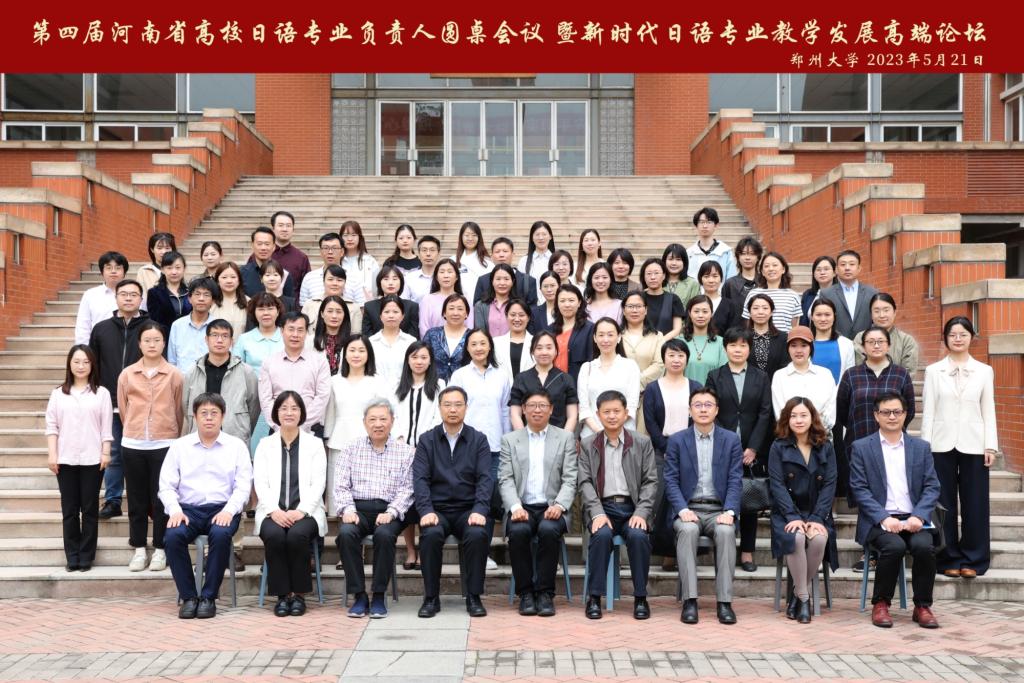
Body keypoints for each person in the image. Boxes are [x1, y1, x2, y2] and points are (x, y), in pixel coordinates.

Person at [849, 392, 942, 629]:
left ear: (905, 414)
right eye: (886, 412)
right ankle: (881, 604)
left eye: (897, 412)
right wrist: (884, 517)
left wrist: (919, 515)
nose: (892, 417)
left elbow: (932, 486)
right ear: (876, 415)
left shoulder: (920, 447)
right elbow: (859, 489)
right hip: (879, 520)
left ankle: (922, 606)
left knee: (924, 547)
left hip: (914, 519)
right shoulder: (861, 447)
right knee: (894, 546)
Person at [160, 393, 253, 619]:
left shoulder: (236, 446)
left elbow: (243, 486)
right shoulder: (180, 446)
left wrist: (229, 511)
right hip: (188, 510)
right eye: (204, 413)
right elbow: (166, 485)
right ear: (194, 416)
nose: (209, 418)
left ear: (223, 416)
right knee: (172, 537)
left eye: (214, 413)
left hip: (223, 508)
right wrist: (175, 510)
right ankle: (189, 597)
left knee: (221, 535)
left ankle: (209, 597)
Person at [922, 316, 998, 579]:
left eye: (963, 334)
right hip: (940, 444)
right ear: (945, 338)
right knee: (943, 503)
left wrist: (990, 446)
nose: (957, 339)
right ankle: (947, 557)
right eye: (952, 334)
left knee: (975, 502)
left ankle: (974, 559)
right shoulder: (934, 371)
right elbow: (928, 412)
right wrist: (925, 448)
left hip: (974, 444)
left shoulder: (984, 371)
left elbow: (988, 410)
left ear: (971, 338)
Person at [665, 387, 743, 625]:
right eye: (697, 405)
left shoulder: (731, 440)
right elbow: (670, 480)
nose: (703, 409)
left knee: (726, 532)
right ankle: (690, 601)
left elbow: (735, 479)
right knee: (687, 530)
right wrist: (682, 510)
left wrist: (730, 511)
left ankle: (724, 603)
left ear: (716, 410)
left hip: (719, 509)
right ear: (690, 411)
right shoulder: (677, 440)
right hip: (688, 508)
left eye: (708, 405)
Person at [414, 386, 493, 618]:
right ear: (439, 408)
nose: (453, 409)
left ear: (466, 408)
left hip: (467, 510)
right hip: (437, 510)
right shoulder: (427, 440)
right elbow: (420, 480)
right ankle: (431, 598)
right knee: (430, 534)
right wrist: (426, 510)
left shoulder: (478, 440)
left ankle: (474, 596)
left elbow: (485, 479)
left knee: (477, 534)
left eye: (458, 405)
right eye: (447, 405)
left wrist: (480, 509)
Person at [579, 390, 658, 620]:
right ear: (598, 414)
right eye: (606, 412)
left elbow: (651, 481)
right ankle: (595, 597)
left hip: (633, 508)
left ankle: (641, 598)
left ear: (626, 413)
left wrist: (641, 512)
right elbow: (584, 482)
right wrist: (596, 513)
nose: (612, 416)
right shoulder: (588, 444)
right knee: (601, 536)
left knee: (639, 537)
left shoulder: (642, 442)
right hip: (603, 508)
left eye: (616, 411)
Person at [498, 388, 578, 617]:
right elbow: (505, 478)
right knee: (519, 531)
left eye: (542, 406)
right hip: (522, 506)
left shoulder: (564, 438)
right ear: (523, 410)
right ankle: (525, 593)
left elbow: (570, 478)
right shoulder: (510, 440)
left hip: (552, 506)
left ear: (551, 409)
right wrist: (515, 507)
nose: (537, 410)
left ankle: (545, 593)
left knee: (548, 530)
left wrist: (559, 505)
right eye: (532, 405)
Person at [335, 399, 415, 619]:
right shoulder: (351, 448)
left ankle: (379, 595)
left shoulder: (405, 452)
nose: (378, 424)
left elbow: (408, 489)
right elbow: (340, 485)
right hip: (358, 509)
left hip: (390, 510)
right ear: (364, 422)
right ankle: (359, 596)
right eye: (372, 419)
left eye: (383, 419)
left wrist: (391, 512)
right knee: (346, 534)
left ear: (392, 421)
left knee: (385, 535)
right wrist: (348, 510)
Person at [705, 327, 774, 573]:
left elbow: (765, 412)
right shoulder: (715, 376)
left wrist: (753, 447)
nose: (737, 349)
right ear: (725, 348)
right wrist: (726, 443)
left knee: (749, 500)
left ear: (749, 349)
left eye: (743, 345)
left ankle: (747, 551)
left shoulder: (761, 376)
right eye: (733, 345)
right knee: (720, 496)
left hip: (751, 450)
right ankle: (723, 549)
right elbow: (710, 408)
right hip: (721, 446)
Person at [253, 391, 327, 617]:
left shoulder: (314, 444)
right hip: (271, 512)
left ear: (302, 413)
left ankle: (299, 595)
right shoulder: (265, 445)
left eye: (294, 408)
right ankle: (282, 596)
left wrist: (301, 511)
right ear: (276, 413)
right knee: (274, 535)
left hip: (306, 513)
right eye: (283, 408)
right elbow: (260, 482)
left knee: (296, 536)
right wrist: (273, 511)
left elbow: (319, 483)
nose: (289, 413)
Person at [118, 321, 184, 573]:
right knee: (136, 499)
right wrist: (134, 429)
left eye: (157, 340)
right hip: (133, 443)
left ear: (164, 343)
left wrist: (171, 433)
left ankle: (160, 548)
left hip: (164, 443)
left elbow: (179, 409)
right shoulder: (127, 374)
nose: (152, 344)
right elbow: (123, 408)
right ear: (139, 344)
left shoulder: (175, 374)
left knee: (161, 498)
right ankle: (138, 548)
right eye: (147, 340)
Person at [768, 397, 838, 624]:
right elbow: (777, 484)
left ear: (812, 418)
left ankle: (796, 596)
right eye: (793, 416)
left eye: (803, 415)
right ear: (786, 420)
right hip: (786, 513)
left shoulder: (825, 446)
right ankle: (804, 599)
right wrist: (792, 516)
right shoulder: (778, 446)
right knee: (796, 537)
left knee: (819, 540)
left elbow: (830, 484)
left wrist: (817, 517)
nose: (798, 420)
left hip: (817, 511)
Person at [46, 345, 112, 572]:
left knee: (90, 509)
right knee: (70, 510)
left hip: (93, 459)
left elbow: (106, 428)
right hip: (65, 459)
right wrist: (52, 454)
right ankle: (72, 555)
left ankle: (86, 556)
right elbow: (52, 427)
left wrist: (105, 452)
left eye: (85, 361)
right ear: (69, 364)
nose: (81, 366)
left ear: (92, 365)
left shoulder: (101, 393)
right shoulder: (58, 394)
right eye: (76, 361)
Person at [89, 279, 148, 520]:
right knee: (113, 454)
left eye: (133, 294)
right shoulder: (101, 328)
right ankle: (113, 500)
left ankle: (143, 501)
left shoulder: (151, 328)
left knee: (140, 455)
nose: (128, 298)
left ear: (141, 299)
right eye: (123, 294)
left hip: (142, 403)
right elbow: (92, 364)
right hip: (110, 401)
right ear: (116, 298)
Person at [837, 326, 916, 500]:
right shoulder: (851, 375)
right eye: (871, 342)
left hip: (893, 443)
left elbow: (909, 409)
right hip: (859, 440)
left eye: (881, 341)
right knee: (863, 495)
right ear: (863, 347)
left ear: (888, 345)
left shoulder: (901, 374)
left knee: (893, 492)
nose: (876, 345)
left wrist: (892, 425)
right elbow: (842, 410)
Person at [324, 334, 395, 520]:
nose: (356, 355)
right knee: (338, 486)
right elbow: (330, 413)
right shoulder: (334, 381)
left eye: (361, 350)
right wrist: (327, 437)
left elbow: (386, 412)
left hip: (371, 441)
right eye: (352, 350)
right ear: (345, 354)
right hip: (339, 440)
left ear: (369, 354)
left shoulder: (378, 381)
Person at [393, 342, 446, 570]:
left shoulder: (439, 385)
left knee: (426, 499)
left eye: (424, 357)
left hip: (429, 450)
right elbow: (392, 416)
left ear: (430, 360)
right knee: (406, 500)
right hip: (401, 451)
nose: (419, 361)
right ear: (408, 359)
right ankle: (410, 550)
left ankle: (425, 549)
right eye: (414, 357)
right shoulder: (397, 385)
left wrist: (423, 444)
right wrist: (401, 441)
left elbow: (439, 417)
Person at [180, 319, 260, 443]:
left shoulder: (246, 372)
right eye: (214, 335)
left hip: (234, 439)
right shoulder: (193, 372)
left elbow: (254, 408)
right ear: (206, 339)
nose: (219, 340)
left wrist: (242, 428)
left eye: (225, 336)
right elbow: (186, 407)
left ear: (232, 341)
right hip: (200, 438)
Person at [258, 312, 331, 438]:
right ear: (282, 331)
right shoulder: (269, 362)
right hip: (278, 429)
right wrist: (279, 426)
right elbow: (265, 399)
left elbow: (322, 396)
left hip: (311, 429)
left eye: (300, 330)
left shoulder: (319, 361)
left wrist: (301, 425)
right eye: (291, 329)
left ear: (306, 333)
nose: (295, 335)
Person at [233, 293, 285, 450]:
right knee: (254, 445)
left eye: (270, 308)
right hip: (252, 400)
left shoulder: (287, 336)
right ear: (253, 312)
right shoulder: (244, 339)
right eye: (261, 309)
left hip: (282, 399)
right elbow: (236, 371)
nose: (266, 313)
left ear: (278, 311)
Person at [577, 318, 641, 440]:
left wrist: (612, 431)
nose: (605, 340)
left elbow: (631, 405)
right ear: (595, 338)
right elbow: (584, 408)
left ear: (619, 337)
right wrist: (600, 432)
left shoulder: (630, 366)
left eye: (610, 335)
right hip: (592, 436)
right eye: (601, 335)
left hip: (623, 435)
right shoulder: (587, 368)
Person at [509, 331, 579, 432]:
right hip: (528, 436)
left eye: (549, 348)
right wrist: (523, 438)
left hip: (558, 436)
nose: (544, 352)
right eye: (539, 348)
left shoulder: (566, 379)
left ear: (556, 351)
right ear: (532, 351)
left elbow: (572, 416)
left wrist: (564, 439)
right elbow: (515, 414)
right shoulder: (521, 378)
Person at [771, 326, 837, 431]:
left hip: (821, 436)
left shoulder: (825, 374)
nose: (798, 350)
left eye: (804, 345)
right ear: (788, 349)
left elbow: (830, 412)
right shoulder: (779, 376)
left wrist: (813, 432)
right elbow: (780, 414)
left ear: (811, 348)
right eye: (793, 346)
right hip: (789, 437)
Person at [852, 293, 921, 374]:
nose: (882, 315)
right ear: (871, 314)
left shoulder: (906, 341)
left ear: (894, 312)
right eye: (877, 311)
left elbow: (908, 374)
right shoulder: (860, 338)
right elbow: (860, 369)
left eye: (886, 310)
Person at [819, 249, 879, 339]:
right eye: (843, 264)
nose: (847, 268)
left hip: (865, 343)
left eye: (852, 264)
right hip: (836, 342)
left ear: (859, 269)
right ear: (836, 269)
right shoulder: (826, 294)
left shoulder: (872, 293)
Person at [76, 251, 129, 344]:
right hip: (98, 344)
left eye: (118, 268)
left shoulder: (134, 294)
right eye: (108, 268)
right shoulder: (90, 295)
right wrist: (83, 348)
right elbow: (83, 326)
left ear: (124, 272)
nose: (113, 271)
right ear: (102, 272)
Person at [741, 251, 802, 333]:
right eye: (766, 266)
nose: (771, 269)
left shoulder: (793, 295)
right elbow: (747, 322)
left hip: (784, 340)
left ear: (783, 269)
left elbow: (794, 327)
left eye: (775, 265)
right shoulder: (753, 294)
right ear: (762, 272)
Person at [168, 277, 219, 373]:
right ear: (189, 299)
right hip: (183, 379)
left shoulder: (219, 326)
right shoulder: (177, 325)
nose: (201, 299)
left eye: (206, 295)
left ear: (213, 301)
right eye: (197, 294)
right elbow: (172, 360)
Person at [621, 291, 666, 394]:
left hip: (649, 393)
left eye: (638, 306)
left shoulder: (657, 336)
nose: (634, 310)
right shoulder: (616, 335)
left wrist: (636, 382)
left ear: (646, 310)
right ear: (623, 310)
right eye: (630, 306)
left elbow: (659, 364)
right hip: (620, 392)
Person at [472, 237, 538, 307]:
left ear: (513, 255)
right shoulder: (483, 280)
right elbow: (477, 308)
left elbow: (533, 310)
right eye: (497, 252)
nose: (501, 255)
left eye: (505, 251)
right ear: (492, 256)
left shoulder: (528, 281)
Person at [422, 294, 472, 382]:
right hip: (434, 385)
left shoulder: (472, 336)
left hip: (464, 384)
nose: (455, 313)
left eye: (460, 309)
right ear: (444, 313)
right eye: (451, 308)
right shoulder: (432, 334)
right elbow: (423, 358)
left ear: (466, 314)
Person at [551, 284, 594, 381]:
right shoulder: (550, 329)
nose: (567, 305)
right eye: (562, 301)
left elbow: (591, 361)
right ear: (557, 303)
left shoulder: (589, 328)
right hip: (553, 383)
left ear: (579, 303)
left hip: (577, 383)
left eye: (571, 300)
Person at [369, 295, 417, 383]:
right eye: (386, 312)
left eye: (395, 312)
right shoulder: (371, 342)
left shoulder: (411, 341)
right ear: (380, 316)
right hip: (377, 390)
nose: (391, 316)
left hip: (404, 389)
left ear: (403, 316)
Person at [363, 266, 420, 338]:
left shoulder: (412, 306)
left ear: (401, 282)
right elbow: (367, 336)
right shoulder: (369, 307)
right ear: (379, 282)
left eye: (395, 279)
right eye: (386, 279)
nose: (390, 283)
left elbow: (414, 336)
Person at [301, 264, 360, 334]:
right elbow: (302, 331)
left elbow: (356, 335)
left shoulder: (354, 307)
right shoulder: (309, 304)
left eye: (339, 280)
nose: (334, 283)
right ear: (323, 281)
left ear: (345, 283)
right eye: (330, 279)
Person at [681, 295, 727, 384]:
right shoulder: (679, 341)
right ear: (689, 313)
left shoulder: (721, 343)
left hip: (712, 391)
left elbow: (724, 375)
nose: (700, 315)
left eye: (705, 311)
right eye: (696, 311)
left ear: (711, 314)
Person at [809, 298, 856, 386]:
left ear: (834, 316)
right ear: (812, 317)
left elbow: (850, 375)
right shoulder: (805, 343)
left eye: (827, 315)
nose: (823, 319)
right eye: (818, 315)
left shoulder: (846, 344)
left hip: (839, 393)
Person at [420, 258, 470, 337]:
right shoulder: (427, 299)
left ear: (457, 277)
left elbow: (469, 326)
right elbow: (424, 328)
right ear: (436, 277)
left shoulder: (465, 299)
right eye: (442, 272)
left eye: (450, 272)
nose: (446, 276)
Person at [746, 293, 791, 379]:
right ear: (749, 312)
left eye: (765, 308)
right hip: (748, 385)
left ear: (771, 312)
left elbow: (785, 366)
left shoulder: (783, 338)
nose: (760, 312)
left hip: (776, 384)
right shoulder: (743, 337)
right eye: (755, 308)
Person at [241, 226, 295, 298]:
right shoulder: (242, 273)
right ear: (252, 246)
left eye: (267, 244)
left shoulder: (284, 274)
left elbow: (290, 302)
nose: (263, 248)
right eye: (259, 244)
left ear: (274, 247)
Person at [686, 207, 738, 282]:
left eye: (709, 222)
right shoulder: (690, 252)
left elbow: (731, 279)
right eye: (701, 222)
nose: (705, 226)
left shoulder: (725, 252)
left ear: (716, 225)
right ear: (696, 226)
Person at [264, 210, 311, 291]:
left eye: (288, 226)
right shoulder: (262, 254)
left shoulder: (301, 257)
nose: (285, 229)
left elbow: (306, 286)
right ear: (273, 228)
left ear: (293, 229)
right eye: (280, 225)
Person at [145, 251, 191, 331]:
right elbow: (154, 320)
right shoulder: (154, 293)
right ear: (162, 270)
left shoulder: (190, 291)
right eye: (169, 268)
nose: (174, 272)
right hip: (165, 335)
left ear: (184, 268)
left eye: (178, 267)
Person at [640, 258, 684, 340]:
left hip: (667, 345)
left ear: (664, 276)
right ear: (644, 276)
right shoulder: (638, 298)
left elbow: (677, 328)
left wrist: (661, 341)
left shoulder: (673, 299)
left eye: (656, 273)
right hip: (641, 344)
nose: (653, 277)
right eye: (649, 274)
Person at [340, 220, 380, 306]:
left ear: (360, 237)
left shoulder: (370, 261)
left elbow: (377, 288)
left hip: (365, 307)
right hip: (341, 307)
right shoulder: (337, 261)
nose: (349, 239)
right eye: (345, 235)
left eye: (354, 235)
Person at [493, 299, 534, 382]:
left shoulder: (536, 342)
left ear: (528, 318)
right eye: (513, 315)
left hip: (530, 389)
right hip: (504, 389)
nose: (517, 319)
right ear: (506, 316)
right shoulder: (496, 343)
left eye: (521, 315)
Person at [299, 232, 343, 307]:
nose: (330, 252)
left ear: (342, 252)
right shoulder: (309, 278)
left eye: (334, 248)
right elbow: (303, 307)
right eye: (326, 248)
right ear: (320, 252)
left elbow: (359, 308)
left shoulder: (353, 278)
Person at [453, 222, 492, 303]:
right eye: (467, 235)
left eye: (474, 235)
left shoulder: (487, 262)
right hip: (459, 305)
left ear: (479, 237)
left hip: (481, 304)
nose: (470, 238)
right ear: (461, 237)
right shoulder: (453, 260)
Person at [474, 264, 516, 336]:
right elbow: (480, 334)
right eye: (498, 279)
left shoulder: (519, 305)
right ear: (492, 281)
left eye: (506, 279)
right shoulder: (480, 306)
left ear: (513, 281)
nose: (502, 283)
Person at [722, 236, 762, 312]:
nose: (747, 258)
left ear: (758, 257)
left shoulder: (764, 282)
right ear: (738, 257)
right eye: (743, 254)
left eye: (752, 254)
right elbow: (725, 312)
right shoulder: (730, 284)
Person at [698, 261, 740, 333]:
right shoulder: (694, 303)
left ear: (721, 279)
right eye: (706, 276)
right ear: (700, 279)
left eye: (715, 276)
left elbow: (733, 332)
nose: (711, 280)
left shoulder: (730, 305)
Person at [517, 220, 555, 299]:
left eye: (544, 234)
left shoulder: (556, 260)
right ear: (532, 238)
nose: (541, 238)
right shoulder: (524, 261)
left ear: (550, 236)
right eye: (537, 235)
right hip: (530, 304)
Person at [210, 262, 248, 339]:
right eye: (224, 277)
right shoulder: (210, 303)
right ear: (217, 281)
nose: (229, 281)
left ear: (239, 280)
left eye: (233, 277)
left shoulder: (249, 302)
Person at [799, 255, 838, 327]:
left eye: (826, 269)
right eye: (818, 270)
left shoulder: (840, 294)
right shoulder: (808, 294)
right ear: (814, 274)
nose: (822, 272)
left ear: (834, 273)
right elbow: (803, 321)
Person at [662, 244, 700, 312]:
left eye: (678, 259)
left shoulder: (692, 284)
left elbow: (695, 309)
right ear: (664, 261)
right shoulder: (657, 281)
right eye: (670, 259)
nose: (674, 263)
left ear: (684, 262)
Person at [406, 234, 442, 304]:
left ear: (439, 253)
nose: (428, 254)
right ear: (418, 254)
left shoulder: (446, 278)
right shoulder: (409, 278)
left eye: (432, 250)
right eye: (424, 250)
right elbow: (405, 304)